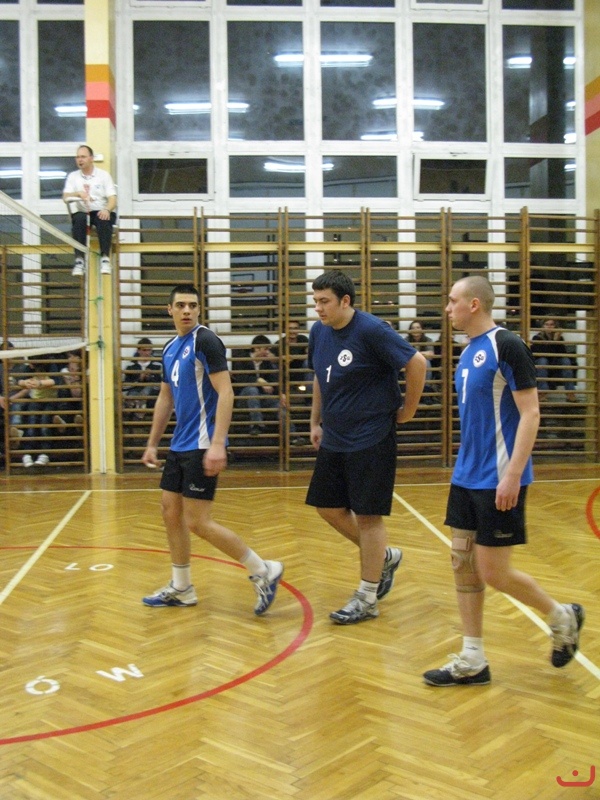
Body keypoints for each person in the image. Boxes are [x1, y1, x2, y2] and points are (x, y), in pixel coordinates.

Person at [423, 275, 584, 687]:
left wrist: (512, 474)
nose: (448, 308)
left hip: (499, 478)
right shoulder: (467, 352)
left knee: (494, 572)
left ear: (474, 304)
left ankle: (561, 616)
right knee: (462, 563)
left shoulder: (506, 345)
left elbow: (531, 413)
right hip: (466, 476)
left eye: (453, 300)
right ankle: (473, 658)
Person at [141, 284, 283, 614]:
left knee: (198, 521)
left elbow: (226, 391)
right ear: (170, 309)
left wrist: (218, 443)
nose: (187, 310)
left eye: (192, 305)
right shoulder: (169, 348)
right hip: (180, 444)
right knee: (170, 512)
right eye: (181, 305)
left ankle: (263, 569)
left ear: (199, 309)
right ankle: (182, 587)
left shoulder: (205, 341)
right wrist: (152, 443)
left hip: (203, 443)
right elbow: (165, 397)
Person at [305, 269, 427, 624]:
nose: (318, 308)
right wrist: (315, 420)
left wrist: (407, 411)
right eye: (315, 301)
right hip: (335, 435)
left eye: (324, 301)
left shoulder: (372, 330)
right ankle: (383, 557)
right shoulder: (319, 332)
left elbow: (417, 363)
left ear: (345, 301)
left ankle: (367, 596)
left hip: (371, 436)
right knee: (328, 508)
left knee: (369, 517)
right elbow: (321, 375)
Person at [62, 145, 117, 277]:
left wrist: (107, 209)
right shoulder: (73, 176)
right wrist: (78, 193)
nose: (80, 160)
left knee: (103, 218)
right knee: (79, 219)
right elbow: (65, 197)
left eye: (83, 157)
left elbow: (113, 199)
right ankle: (79, 260)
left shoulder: (103, 175)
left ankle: (105, 258)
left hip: (101, 210)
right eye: (78, 157)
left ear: (91, 158)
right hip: (83, 211)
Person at [232, 334, 281, 436]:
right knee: (252, 390)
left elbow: (274, 381)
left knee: (279, 404)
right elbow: (241, 379)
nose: (268, 352)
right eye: (266, 349)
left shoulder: (267, 363)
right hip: (242, 399)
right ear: (256, 348)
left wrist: (281, 394)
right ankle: (257, 424)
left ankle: (292, 435)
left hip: (261, 397)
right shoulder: (241, 359)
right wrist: (258, 381)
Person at [530, 317, 577, 402]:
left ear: (555, 326)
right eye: (547, 324)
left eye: (552, 325)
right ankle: (542, 393)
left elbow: (562, 353)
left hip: (554, 361)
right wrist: (554, 342)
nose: (549, 327)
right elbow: (541, 354)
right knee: (543, 361)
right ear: (543, 326)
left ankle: (570, 393)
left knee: (566, 361)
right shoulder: (537, 338)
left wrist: (557, 340)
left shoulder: (559, 338)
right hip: (542, 362)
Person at [123, 338, 162, 420]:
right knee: (132, 395)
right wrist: (139, 379)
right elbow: (125, 386)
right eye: (144, 350)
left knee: (148, 389)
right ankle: (136, 414)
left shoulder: (158, 365)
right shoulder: (130, 367)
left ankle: (135, 413)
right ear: (138, 351)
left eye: (149, 350)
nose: (147, 353)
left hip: (152, 396)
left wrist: (151, 377)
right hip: (135, 393)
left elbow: (162, 385)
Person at [404, 320, 437, 404]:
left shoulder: (428, 340)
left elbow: (430, 355)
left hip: (423, 365)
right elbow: (404, 355)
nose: (415, 330)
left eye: (418, 327)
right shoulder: (406, 340)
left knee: (427, 362)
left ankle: (426, 392)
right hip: (410, 364)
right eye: (413, 328)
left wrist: (414, 355)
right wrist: (421, 354)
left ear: (422, 329)